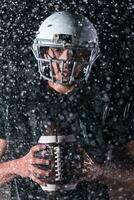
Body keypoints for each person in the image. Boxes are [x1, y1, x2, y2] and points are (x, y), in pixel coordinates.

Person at [0, 11, 134, 200]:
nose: (66, 60)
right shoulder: (15, 101)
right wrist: (19, 167)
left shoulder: (107, 103)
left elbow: (130, 178)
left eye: (76, 51)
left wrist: (98, 172)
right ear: (45, 50)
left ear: (89, 54)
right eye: (58, 50)